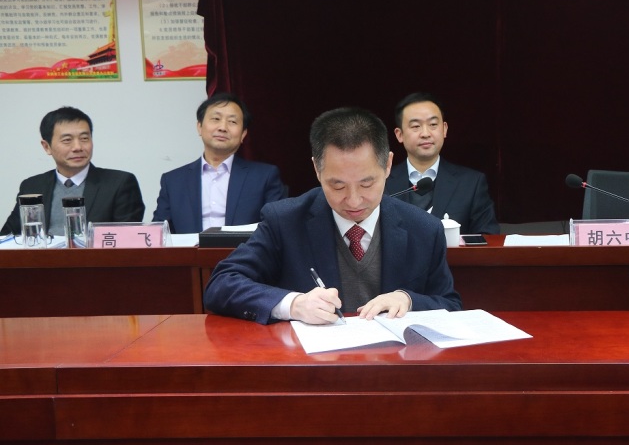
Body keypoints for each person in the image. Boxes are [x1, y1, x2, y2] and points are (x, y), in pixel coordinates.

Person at [204, 107, 461, 324]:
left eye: (367, 184)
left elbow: (450, 305)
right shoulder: (285, 221)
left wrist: (408, 299)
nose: (354, 200)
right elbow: (222, 284)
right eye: (338, 186)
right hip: (314, 362)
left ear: (388, 165)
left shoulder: (424, 228)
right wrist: (293, 304)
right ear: (317, 169)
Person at [152, 93, 286, 233]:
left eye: (232, 122)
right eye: (216, 119)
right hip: (190, 248)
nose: (222, 127)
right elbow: (158, 234)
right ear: (199, 126)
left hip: (246, 248)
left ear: (243, 134)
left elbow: (276, 228)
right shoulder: (173, 181)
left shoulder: (264, 177)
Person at [2, 107, 144, 236]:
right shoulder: (32, 186)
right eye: (67, 140)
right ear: (46, 147)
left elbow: (126, 240)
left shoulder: (120, 183)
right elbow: (6, 237)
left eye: (84, 138)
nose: (78, 147)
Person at [383, 92, 499, 234]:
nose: (425, 133)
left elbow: (488, 239)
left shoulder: (471, 183)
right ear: (399, 134)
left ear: (444, 129)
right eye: (415, 126)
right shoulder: (382, 182)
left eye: (433, 124)